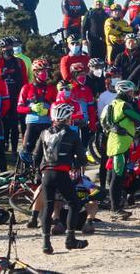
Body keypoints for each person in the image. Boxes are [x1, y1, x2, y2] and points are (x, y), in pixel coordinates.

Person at [34, 103, 89, 254]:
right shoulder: (72, 134)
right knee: (73, 203)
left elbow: (36, 156)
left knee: (48, 206)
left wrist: (39, 172)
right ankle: (70, 239)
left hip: (46, 175)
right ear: (67, 118)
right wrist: (73, 164)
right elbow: (83, 159)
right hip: (62, 173)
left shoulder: (44, 133)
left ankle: (46, 244)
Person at [99, 80, 140, 219]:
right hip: (121, 144)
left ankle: (114, 204)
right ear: (125, 92)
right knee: (118, 176)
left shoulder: (111, 104)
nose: (132, 94)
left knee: (112, 175)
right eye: (130, 92)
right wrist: (137, 106)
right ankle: (115, 208)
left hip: (112, 141)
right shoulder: (124, 105)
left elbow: (103, 122)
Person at [16, 59, 57, 166]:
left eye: (46, 71)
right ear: (35, 72)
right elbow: (19, 108)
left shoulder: (52, 89)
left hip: (47, 125)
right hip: (32, 124)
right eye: (42, 71)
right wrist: (31, 108)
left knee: (46, 153)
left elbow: (57, 108)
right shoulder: (26, 88)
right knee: (26, 152)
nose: (45, 74)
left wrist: (48, 111)